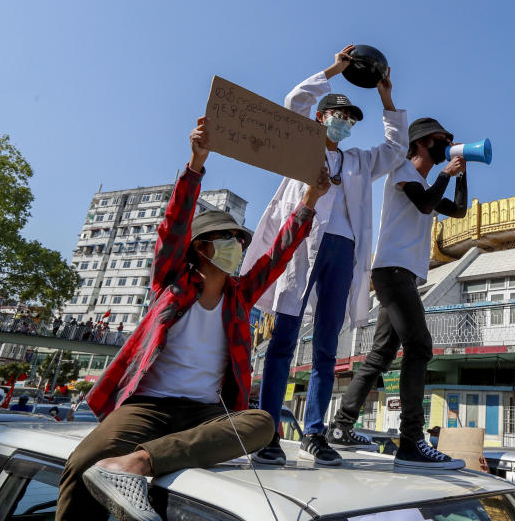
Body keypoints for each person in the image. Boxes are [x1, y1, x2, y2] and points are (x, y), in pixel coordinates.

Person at [57, 117, 331, 521]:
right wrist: (196, 163)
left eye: (240, 240)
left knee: (261, 423)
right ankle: (122, 470)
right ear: (200, 248)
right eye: (227, 239)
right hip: (150, 406)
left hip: (207, 413)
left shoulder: (240, 296)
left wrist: (311, 198)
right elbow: (173, 225)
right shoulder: (172, 283)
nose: (238, 245)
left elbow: (278, 255)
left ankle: (137, 464)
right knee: (82, 463)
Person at [248, 45, 408, 467]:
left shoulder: (357, 160)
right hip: (301, 247)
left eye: (352, 119)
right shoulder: (299, 145)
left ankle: (315, 432)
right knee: (283, 339)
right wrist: (336, 70)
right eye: (339, 115)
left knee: (324, 347)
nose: (346, 123)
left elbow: (395, 150)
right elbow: (293, 102)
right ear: (322, 118)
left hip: (343, 250)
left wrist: (386, 99)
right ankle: (268, 430)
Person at [326, 117, 468, 468]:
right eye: (439, 139)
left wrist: (462, 175)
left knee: (381, 354)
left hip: (401, 275)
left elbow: (459, 210)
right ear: (420, 143)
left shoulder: (423, 180)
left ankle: (341, 427)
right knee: (419, 347)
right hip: (392, 272)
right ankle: (411, 441)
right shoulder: (403, 170)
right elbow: (424, 203)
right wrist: (446, 175)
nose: (444, 143)